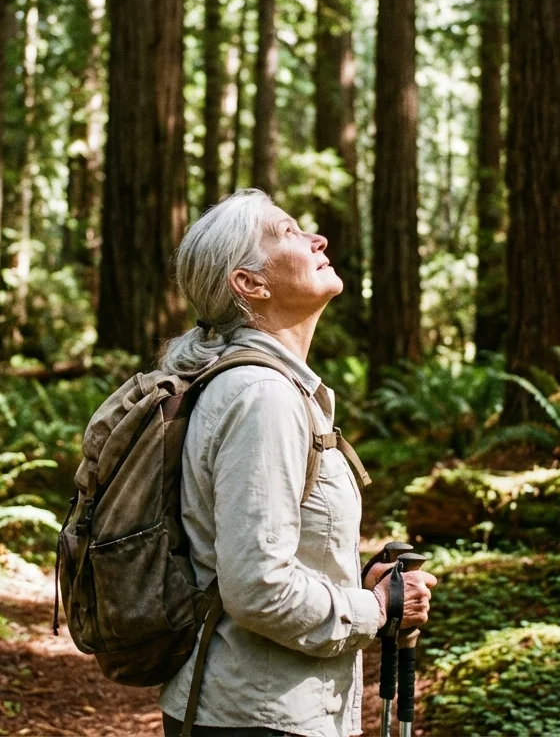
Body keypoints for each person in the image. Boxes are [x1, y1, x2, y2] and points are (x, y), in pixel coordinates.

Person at [156, 190, 438, 737]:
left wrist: (357, 583)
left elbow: (250, 555)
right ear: (250, 284)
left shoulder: (271, 388)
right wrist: (374, 607)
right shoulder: (263, 395)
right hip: (259, 717)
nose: (318, 239)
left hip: (256, 707)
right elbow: (258, 587)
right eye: (288, 232)